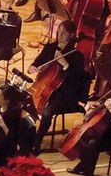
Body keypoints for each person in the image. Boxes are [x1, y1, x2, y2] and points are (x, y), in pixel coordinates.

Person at [31, 20, 88, 153]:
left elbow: (76, 80)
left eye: (63, 33)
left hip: (64, 95)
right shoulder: (51, 47)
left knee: (47, 113)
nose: (60, 35)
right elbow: (36, 63)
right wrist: (33, 68)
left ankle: (37, 142)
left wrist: (65, 64)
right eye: (59, 32)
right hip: (44, 88)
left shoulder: (76, 56)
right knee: (25, 104)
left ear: (71, 36)